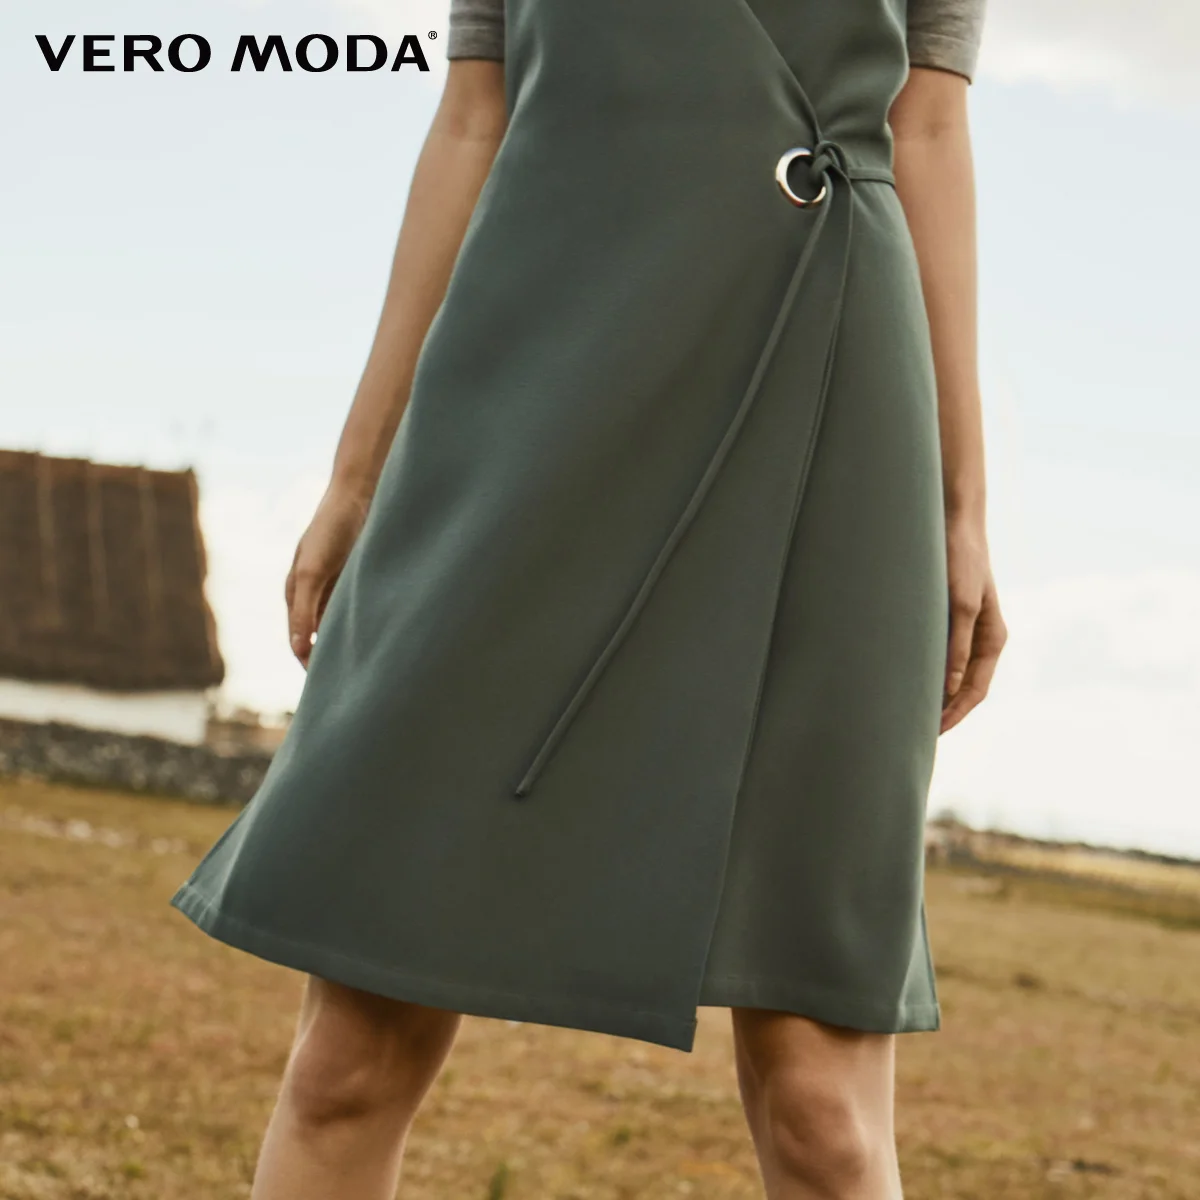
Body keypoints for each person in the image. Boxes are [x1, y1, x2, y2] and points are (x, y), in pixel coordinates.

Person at [171, 0, 1005, 1196]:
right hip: (528, 388)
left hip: (828, 380)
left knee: (823, 1103)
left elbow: (926, 127)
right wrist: (357, 475)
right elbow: (474, 118)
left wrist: (963, 504)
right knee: (351, 1056)